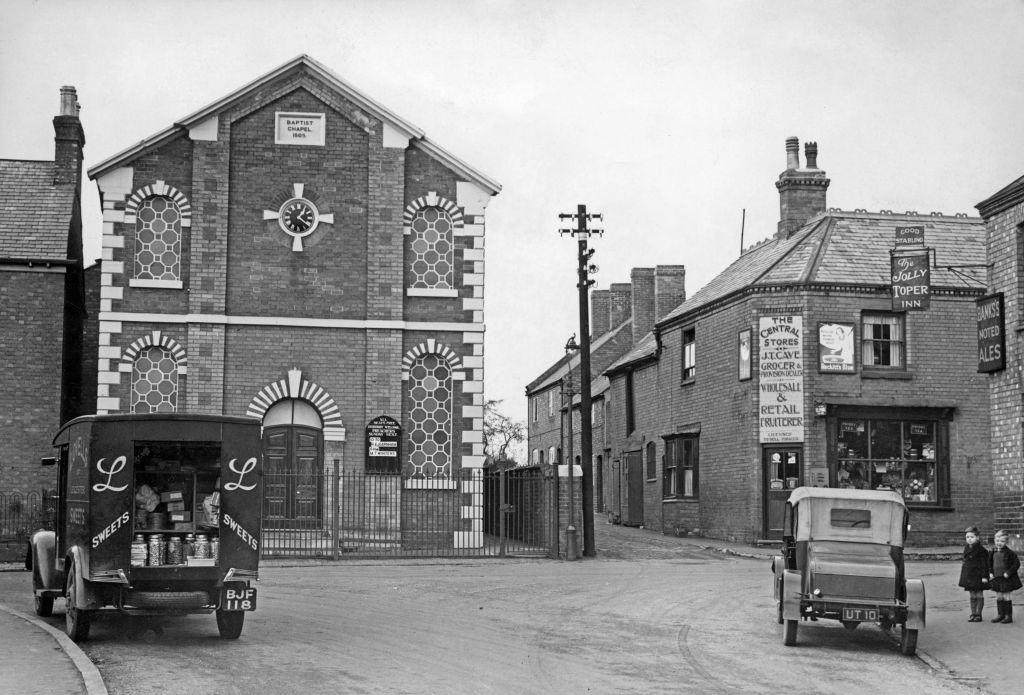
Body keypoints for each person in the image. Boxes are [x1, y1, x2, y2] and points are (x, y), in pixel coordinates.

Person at [989, 530, 1022, 624]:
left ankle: (1008, 616)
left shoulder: (1010, 553)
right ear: (995, 540)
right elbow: (989, 563)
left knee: (1006, 596)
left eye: (1002, 541)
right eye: (997, 541)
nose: (999, 543)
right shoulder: (992, 552)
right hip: (997, 578)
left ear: (1006, 542)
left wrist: (1009, 572)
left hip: (1006, 578)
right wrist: (990, 572)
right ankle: (1000, 614)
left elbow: (1016, 564)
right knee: (999, 596)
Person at [958, 526, 988, 621]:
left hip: (979, 575)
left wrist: (984, 576)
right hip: (969, 576)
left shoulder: (981, 550)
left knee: (979, 594)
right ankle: (973, 613)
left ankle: (979, 614)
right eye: (967, 537)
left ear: (977, 538)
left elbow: (985, 564)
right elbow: (965, 562)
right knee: (972, 595)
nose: (969, 539)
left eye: (972, 537)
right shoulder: (966, 548)